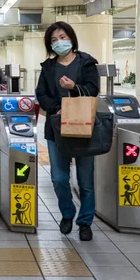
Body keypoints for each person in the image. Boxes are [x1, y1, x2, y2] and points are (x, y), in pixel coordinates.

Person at [35, 21, 100, 242]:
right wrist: (56, 108)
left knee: (86, 181)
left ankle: (85, 222)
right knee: (59, 178)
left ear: (71, 38)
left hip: (83, 126)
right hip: (56, 127)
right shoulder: (48, 67)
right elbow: (41, 94)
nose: (58, 42)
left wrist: (74, 88)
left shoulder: (87, 63)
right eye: (53, 40)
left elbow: (93, 89)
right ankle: (67, 213)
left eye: (62, 37)